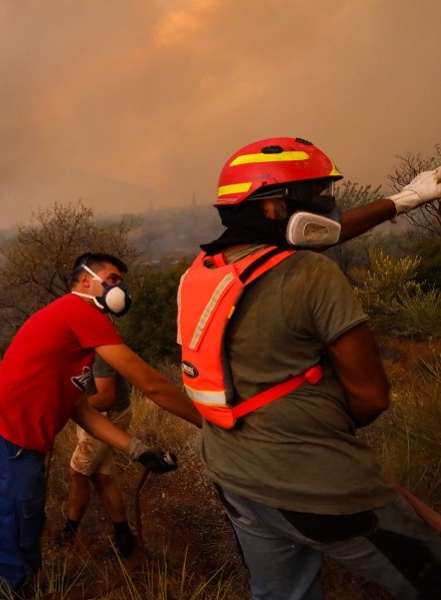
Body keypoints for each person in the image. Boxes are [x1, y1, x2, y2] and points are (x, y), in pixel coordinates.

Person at [177, 136, 441, 599]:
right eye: (317, 195)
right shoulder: (311, 274)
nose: (329, 206)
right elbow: (372, 398)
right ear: (274, 208)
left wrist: (404, 199)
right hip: (318, 485)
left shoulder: (204, 270)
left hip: (235, 478)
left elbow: (323, 235)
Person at [0, 251, 202, 600]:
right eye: (113, 279)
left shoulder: (75, 329)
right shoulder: (79, 311)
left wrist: (137, 449)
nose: (119, 288)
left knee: (27, 522)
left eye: (121, 282)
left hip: (17, 439)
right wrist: (208, 422)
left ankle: (22, 590)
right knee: (12, 530)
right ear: (85, 280)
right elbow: (150, 383)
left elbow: (79, 408)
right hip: (6, 435)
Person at [54, 353, 138, 557]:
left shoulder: (99, 350)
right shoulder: (72, 343)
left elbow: (105, 397)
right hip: (94, 413)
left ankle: (69, 534)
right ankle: (124, 537)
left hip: (107, 415)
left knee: (78, 472)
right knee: (100, 476)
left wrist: (65, 409)